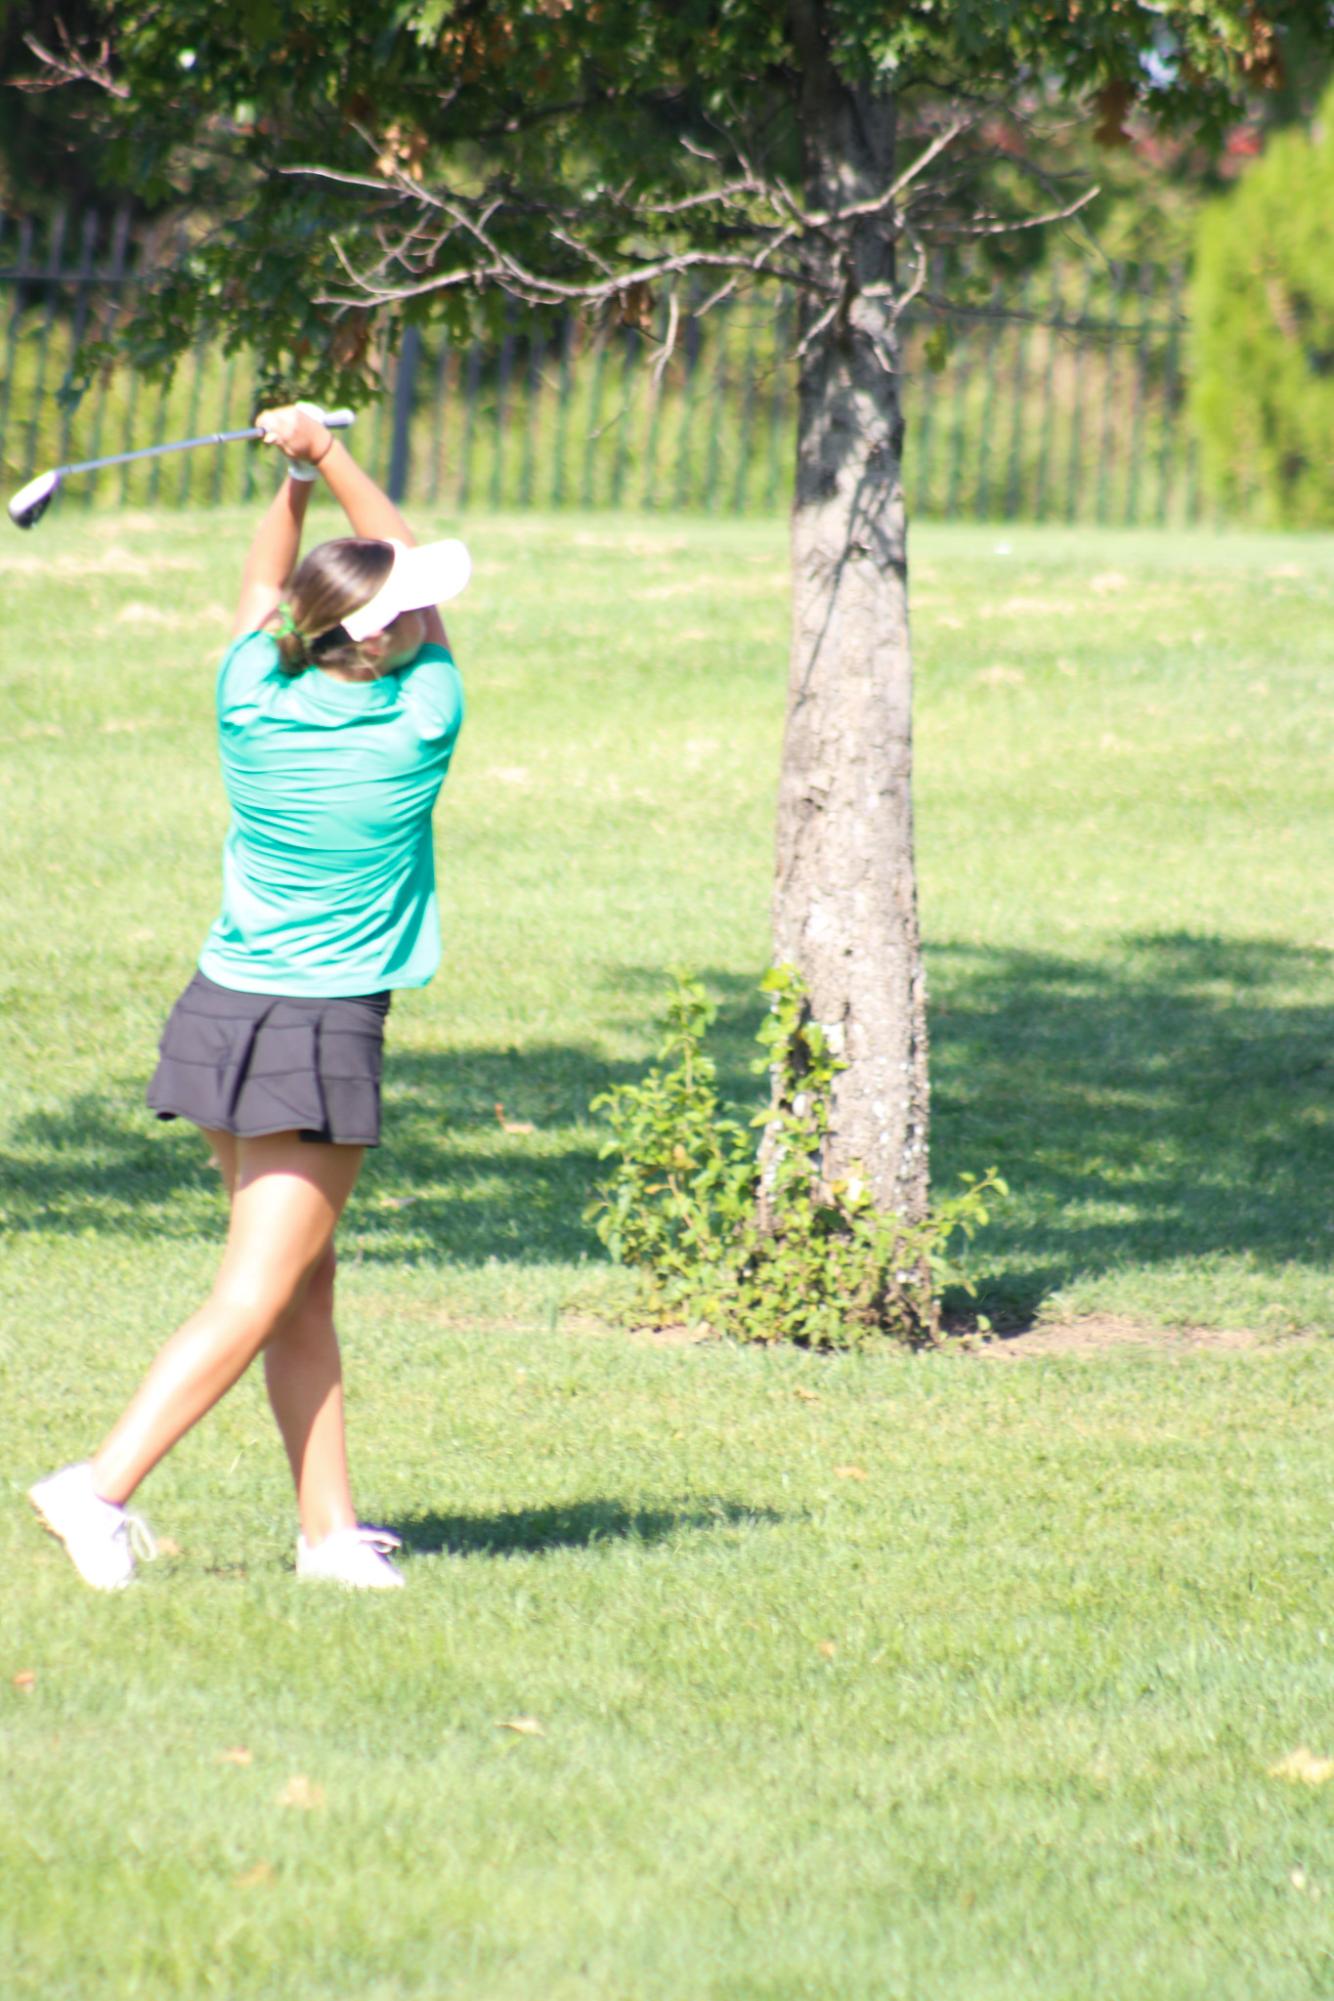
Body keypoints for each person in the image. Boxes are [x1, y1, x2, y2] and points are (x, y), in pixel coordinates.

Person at [28, 402, 471, 1591]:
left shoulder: (249, 694)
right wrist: (326, 453)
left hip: (222, 1012)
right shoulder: (417, 723)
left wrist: (287, 485)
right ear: (373, 642)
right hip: (319, 1029)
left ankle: (329, 1535)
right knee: (255, 1290)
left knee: (301, 1285)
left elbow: (268, 591)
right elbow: (418, 582)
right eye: (403, 620)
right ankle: (99, 1486)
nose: (422, 619)